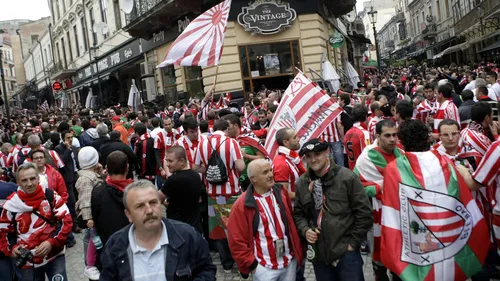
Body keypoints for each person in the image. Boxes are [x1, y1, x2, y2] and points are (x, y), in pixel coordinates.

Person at [380, 120, 489, 281]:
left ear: (401, 141)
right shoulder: (447, 163)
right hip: (449, 242)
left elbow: (392, 212)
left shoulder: (394, 169)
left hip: (414, 241)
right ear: (428, 138)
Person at [99, 180, 217, 281]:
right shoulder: (115, 246)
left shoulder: (188, 236)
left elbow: (206, 270)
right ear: (128, 215)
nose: (149, 210)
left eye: (153, 202)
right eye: (140, 206)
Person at [294, 138, 372, 280]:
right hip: (320, 256)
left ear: (328, 152)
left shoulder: (347, 178)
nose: (313, 160)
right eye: (309, 156)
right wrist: (305, 230)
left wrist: (352, 244)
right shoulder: (302, 183)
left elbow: (364, 213)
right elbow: (299, 214)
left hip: (346, 254)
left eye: (317, 154)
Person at [227, 159, 304, 280]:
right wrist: (253, 265)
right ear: (253, 179)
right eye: (264, 172)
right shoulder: (242, 205)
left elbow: (291, 222)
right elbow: (236, 240)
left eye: (270, 170)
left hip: (289, 261)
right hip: (264, 267)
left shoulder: (281, 192)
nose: (270, 175)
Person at [0, 162, 73, 281]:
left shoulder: (50, 196)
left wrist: (52, 241)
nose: (29, 183)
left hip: (55, 256)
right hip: (28, 263)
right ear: (18, 182)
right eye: (24, 180)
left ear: (38, 178)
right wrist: (12, 248)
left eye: (32, 178)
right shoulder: (11, 205)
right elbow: (3, 231)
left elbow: (66, 221)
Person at [193, 119, 245, 273]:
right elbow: (241, 166)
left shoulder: (202, 143)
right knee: (236, 228)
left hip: (213, 194)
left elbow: (195, 167)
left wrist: (210, 170)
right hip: (231, 193)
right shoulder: (231, 143)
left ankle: (226, 263)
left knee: (220, 228)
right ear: (226, 128)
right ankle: (241, 263)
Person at [353, 120, 403, 281]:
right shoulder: (366, 158)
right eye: (387, 135)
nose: (392, 139)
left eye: (395, 135)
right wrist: (379, 188)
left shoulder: (401, 154)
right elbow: (356, 186)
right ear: (378, 136)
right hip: (377, 215)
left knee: (399, 262)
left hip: (399, 215)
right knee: (380, 264)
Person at [91, 151, 133, 246]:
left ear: (106, 168)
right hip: (132, 244)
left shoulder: (98, 192)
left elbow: (94, 218)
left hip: (108, 245)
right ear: (127, 168)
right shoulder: (136, 191)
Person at [75, 146, 104, 280]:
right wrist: (89, 219)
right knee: (92, 240)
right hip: (92, 219)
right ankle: (90, 266)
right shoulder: (86, 179)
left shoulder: (88, 175)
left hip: (95, 217)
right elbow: (85, 201)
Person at [158, 146, 203, 231]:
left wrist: (164, 203)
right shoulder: (196, 176)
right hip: (195, 227)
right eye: (166, 161)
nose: (167, 164)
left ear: (182, 161)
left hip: (178, 228)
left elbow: (157, 199)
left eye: (170, 161)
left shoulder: (173, 180)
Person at [54, 130, 80, 233]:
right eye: (68, 138)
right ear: (63, 138)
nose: (70, 139)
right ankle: (73, 224)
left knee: (77, 198)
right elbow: (62, 162)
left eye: (71, 137)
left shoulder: (74, 148)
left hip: (75, 175)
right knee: (71, 201)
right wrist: (68, 149)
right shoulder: (59, 149)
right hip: (67, 178)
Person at [273, 128, 305, 201]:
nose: (298, 139)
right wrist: (307, 194)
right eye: (294, 137)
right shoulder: (281, 163)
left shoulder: (292, 158)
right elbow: (283, 193)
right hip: (291, 209)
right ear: (285, 142)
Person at [344, 104, 371, 170]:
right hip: (363, 171)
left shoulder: (347, 133)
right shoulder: (364, 133)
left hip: (352, 170)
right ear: (365, 117)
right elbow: (368, 155)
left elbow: (345, 154)